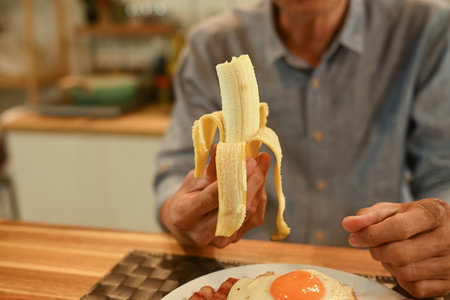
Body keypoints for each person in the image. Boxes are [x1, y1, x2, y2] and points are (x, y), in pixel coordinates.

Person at [154, 0, 450, 297]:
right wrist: (180, 214)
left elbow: (442, 173)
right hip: (242, 270)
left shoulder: (429, 30)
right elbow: (177, 173)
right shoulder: (210, 44)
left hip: (381, 277)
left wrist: (439, 223)